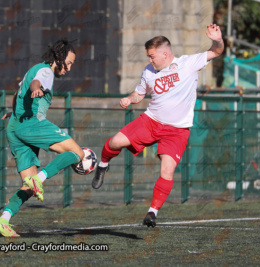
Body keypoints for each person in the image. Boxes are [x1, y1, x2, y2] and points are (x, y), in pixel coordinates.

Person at [92, 24, 224, 227]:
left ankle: (152, 212)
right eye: (149, 56)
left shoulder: (188, 63)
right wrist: (130, 98)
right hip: (151, 121)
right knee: (115, 142)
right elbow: (140, 93)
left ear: (164, 53)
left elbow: (217, 51)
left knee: (167, 171)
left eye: (152, 56)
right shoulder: (149, 70)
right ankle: (102, 165)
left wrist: (217, 39)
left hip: (177, 131)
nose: (149, 60)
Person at [0, 39, 85, 237]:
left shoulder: (34, 68)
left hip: (15, 128)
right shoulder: (46, 71)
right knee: (77, 153)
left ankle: (4, 220)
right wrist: (36, 88)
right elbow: (36, 83)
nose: (69, 68)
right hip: (32, 125)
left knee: (29, 188)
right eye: (68, 63)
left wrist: (15, 112)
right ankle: (40, 178)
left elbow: (18, 93)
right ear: (59, 58)